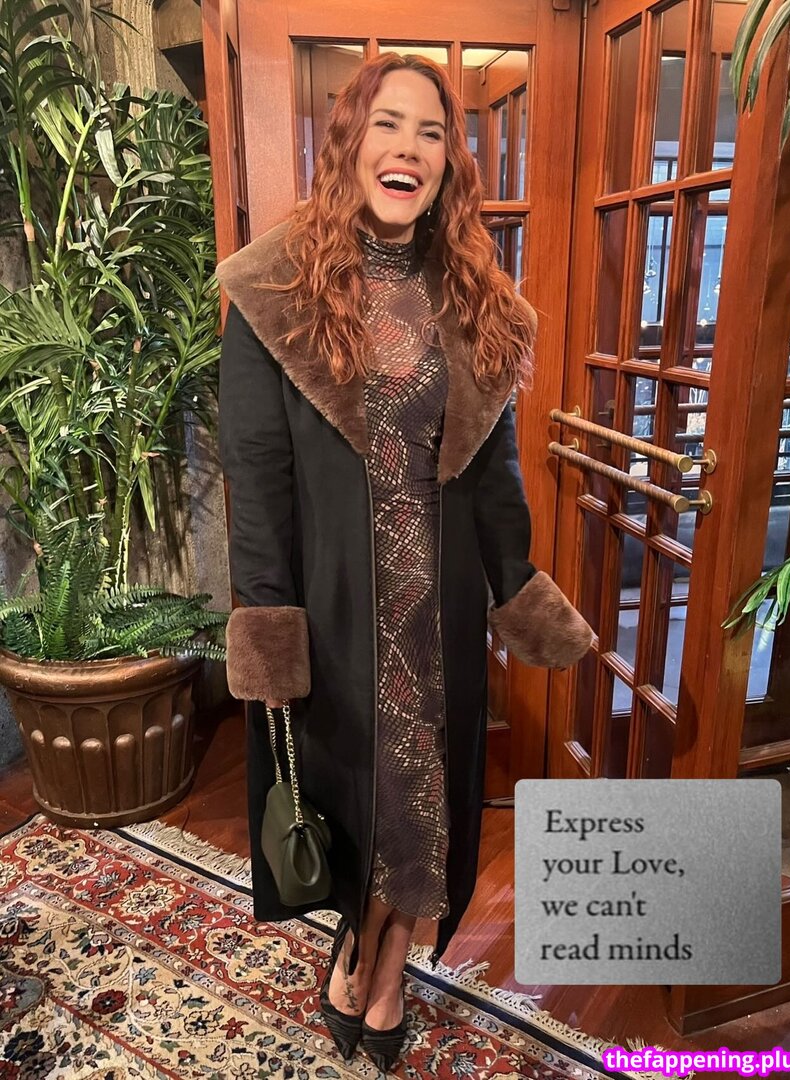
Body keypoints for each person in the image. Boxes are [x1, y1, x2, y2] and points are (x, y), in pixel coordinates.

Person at [216, 52, 592, 1074]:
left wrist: (517, 587)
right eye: (388, 124)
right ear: (350, 141)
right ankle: (360, 940)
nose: (408, 148)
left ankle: (384, 967)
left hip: (439, 615)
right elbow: (258, 480)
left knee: (423, 803)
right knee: (360, 800)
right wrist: (268, 625)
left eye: (430, 132)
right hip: (337, 613)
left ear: (447, 163)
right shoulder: (269, 290)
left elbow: (494, 475)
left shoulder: (478, 302)